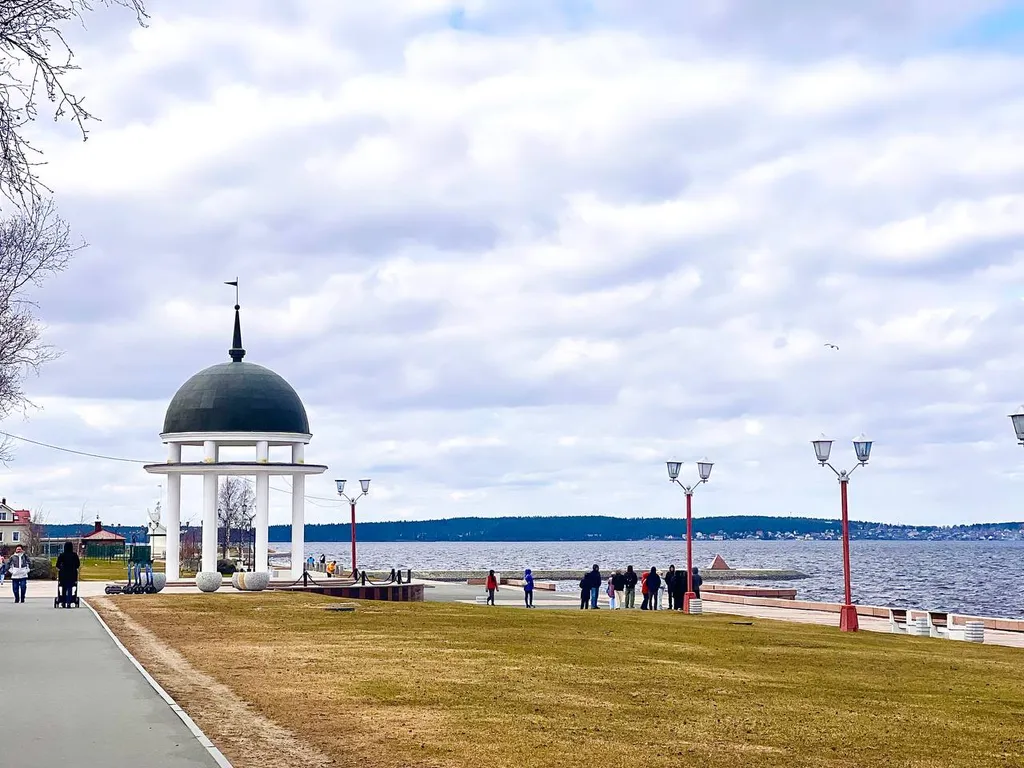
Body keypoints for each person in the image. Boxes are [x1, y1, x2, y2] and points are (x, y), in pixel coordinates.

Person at [56, 541, 80, 607]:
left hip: (63, 574)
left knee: (64, 587)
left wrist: (60, 567)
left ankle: (63, 601)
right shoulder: (74, 555)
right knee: (70, 587)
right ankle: (69, 602)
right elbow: (78, 564)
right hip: (72, 574)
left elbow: (57, 565)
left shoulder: (62, 555)